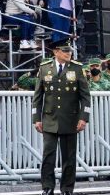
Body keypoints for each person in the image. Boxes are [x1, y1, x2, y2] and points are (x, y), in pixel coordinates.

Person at [32, 38, 90, 195]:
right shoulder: (45, 68)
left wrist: (83, 117)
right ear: (55, 52)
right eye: (65, 51)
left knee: (69, 157)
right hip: (49, 119)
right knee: (48, 156)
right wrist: (36, 119)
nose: (68, 53)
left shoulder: (77, 69)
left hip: (70, 119)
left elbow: (86, 97)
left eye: (70, 51)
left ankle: (66, 189)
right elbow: (37, 97)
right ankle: (47, 187)